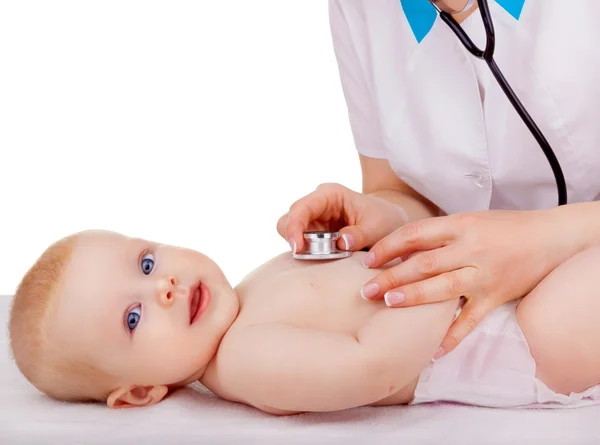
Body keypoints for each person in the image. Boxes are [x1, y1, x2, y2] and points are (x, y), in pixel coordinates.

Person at [277, 0, 600, 360]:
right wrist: (389, 217)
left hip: (575, 295)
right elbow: (398, 190)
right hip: (477, 304)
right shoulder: (358, 7)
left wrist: (542, 237)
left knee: (549, 331)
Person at [7, 229, 600, 414]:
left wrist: (365, 229)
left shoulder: (248, 289)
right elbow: (374, 366)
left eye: (145, 262)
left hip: (495, 293)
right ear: (139, 390)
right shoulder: (241, 359)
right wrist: (436, 274)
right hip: (519, 343)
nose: (161, 286)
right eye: (134, 317)